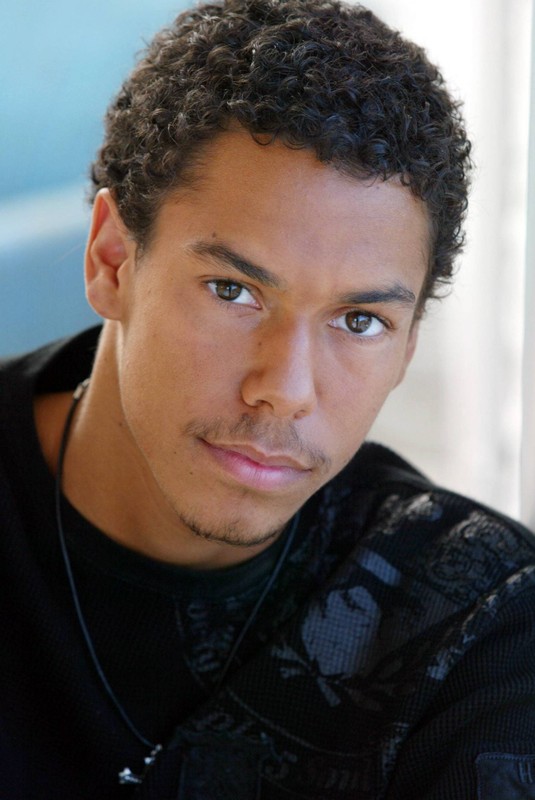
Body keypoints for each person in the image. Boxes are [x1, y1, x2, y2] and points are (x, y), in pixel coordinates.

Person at [1, 0, 534, 797]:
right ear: (112, 260)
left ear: (408, 345)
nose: (283, 390)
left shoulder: (478, 621)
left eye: (359, 321)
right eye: (232, 290)